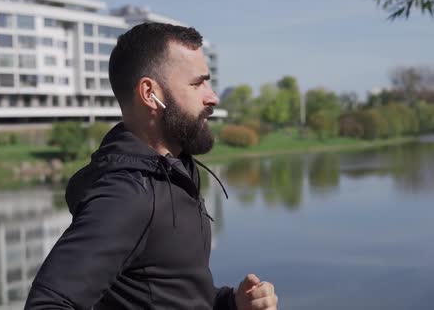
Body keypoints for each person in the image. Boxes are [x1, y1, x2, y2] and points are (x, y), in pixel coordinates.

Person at [25, 23, 278, 310]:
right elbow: (48, 303)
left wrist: (231, 303)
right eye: (197, 84)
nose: (212, 97)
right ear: (149, 93)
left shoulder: (174, 171)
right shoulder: (127, 196)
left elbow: (172, 294)